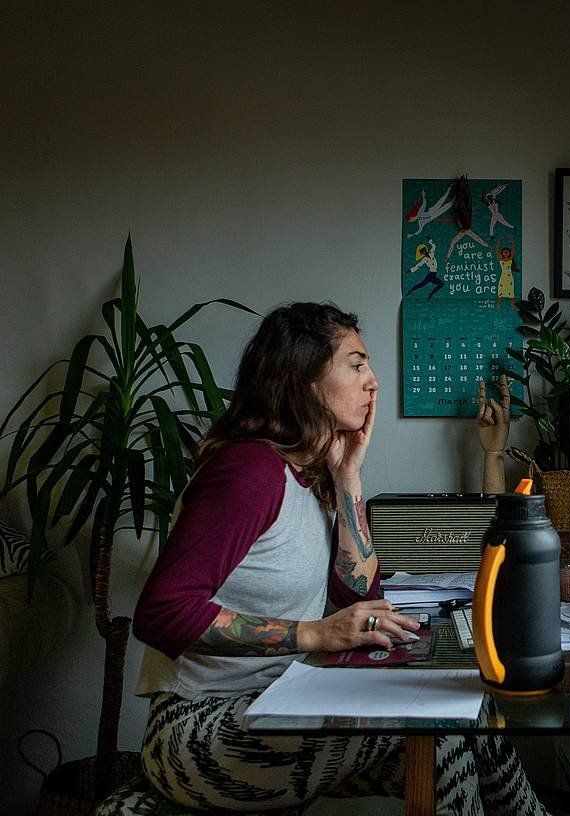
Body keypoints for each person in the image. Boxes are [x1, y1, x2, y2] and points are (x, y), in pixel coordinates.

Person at [130, 303, 547, 816]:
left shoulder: (310, 475)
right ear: (304, 378)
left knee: (470, 724)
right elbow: (161, 613)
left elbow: (360, 597)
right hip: (200, 731)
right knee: (445, 728)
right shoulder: (249, 472)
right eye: (356, 364)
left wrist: (350, 476)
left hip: (279, 703)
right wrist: (315, 633)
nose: (373, 382)